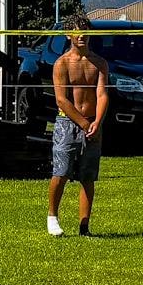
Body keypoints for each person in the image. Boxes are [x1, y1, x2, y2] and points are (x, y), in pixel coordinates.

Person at [47, 15, 110, 236]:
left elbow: (102, 94)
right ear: (68, 34)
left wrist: (96, 122)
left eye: (84, 30)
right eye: (76, 31)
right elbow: (61, 99)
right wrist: (83, 123)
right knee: (61, 172)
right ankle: (52, 217)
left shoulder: (99, 63)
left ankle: (85, 226)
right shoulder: (62, 63)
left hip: (92, 124)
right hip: (68, 123)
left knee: (88, 176)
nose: (81, 35)